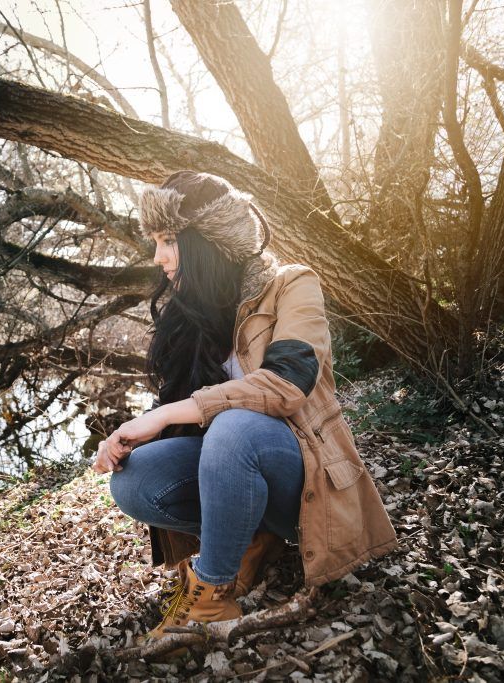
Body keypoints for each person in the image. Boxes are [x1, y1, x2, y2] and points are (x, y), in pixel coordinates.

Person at [91, 170, 398, 644]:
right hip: (237, 468)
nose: (158, 257)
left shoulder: (292, 285)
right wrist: (136, 435)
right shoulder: (190, 314)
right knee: (135, 479)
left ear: (208, 240)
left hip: (306, 481)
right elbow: (184, 418)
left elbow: (286, 385)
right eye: (155, 242)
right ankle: (248, 537)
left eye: (169, 240)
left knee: (234, 426)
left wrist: (166, 414)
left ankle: (211, 595)